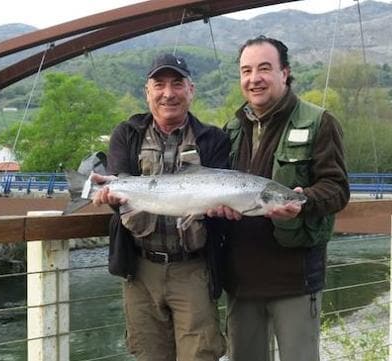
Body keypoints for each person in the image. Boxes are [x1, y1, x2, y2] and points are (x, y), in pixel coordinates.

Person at [208, 36, 350, 361]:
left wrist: (305, 202)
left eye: (264, 68)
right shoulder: (231, 128)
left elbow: (337, 188)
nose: (254, 78)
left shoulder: (318, 122)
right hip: (241, 279)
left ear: (284, 73)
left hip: (294, 278)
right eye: (246, 70)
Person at [92, 53, 229, 361]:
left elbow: (222, 203)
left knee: (200, 355)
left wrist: (226, 208)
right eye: (160, 84)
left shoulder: (213, 139)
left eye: (177, 84)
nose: (169, 93)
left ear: (191, 90)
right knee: (148, 355)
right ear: (147, 92)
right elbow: (121, 187)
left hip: (194, 269)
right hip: (140, 269)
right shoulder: (126, 134)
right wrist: (109, 195)